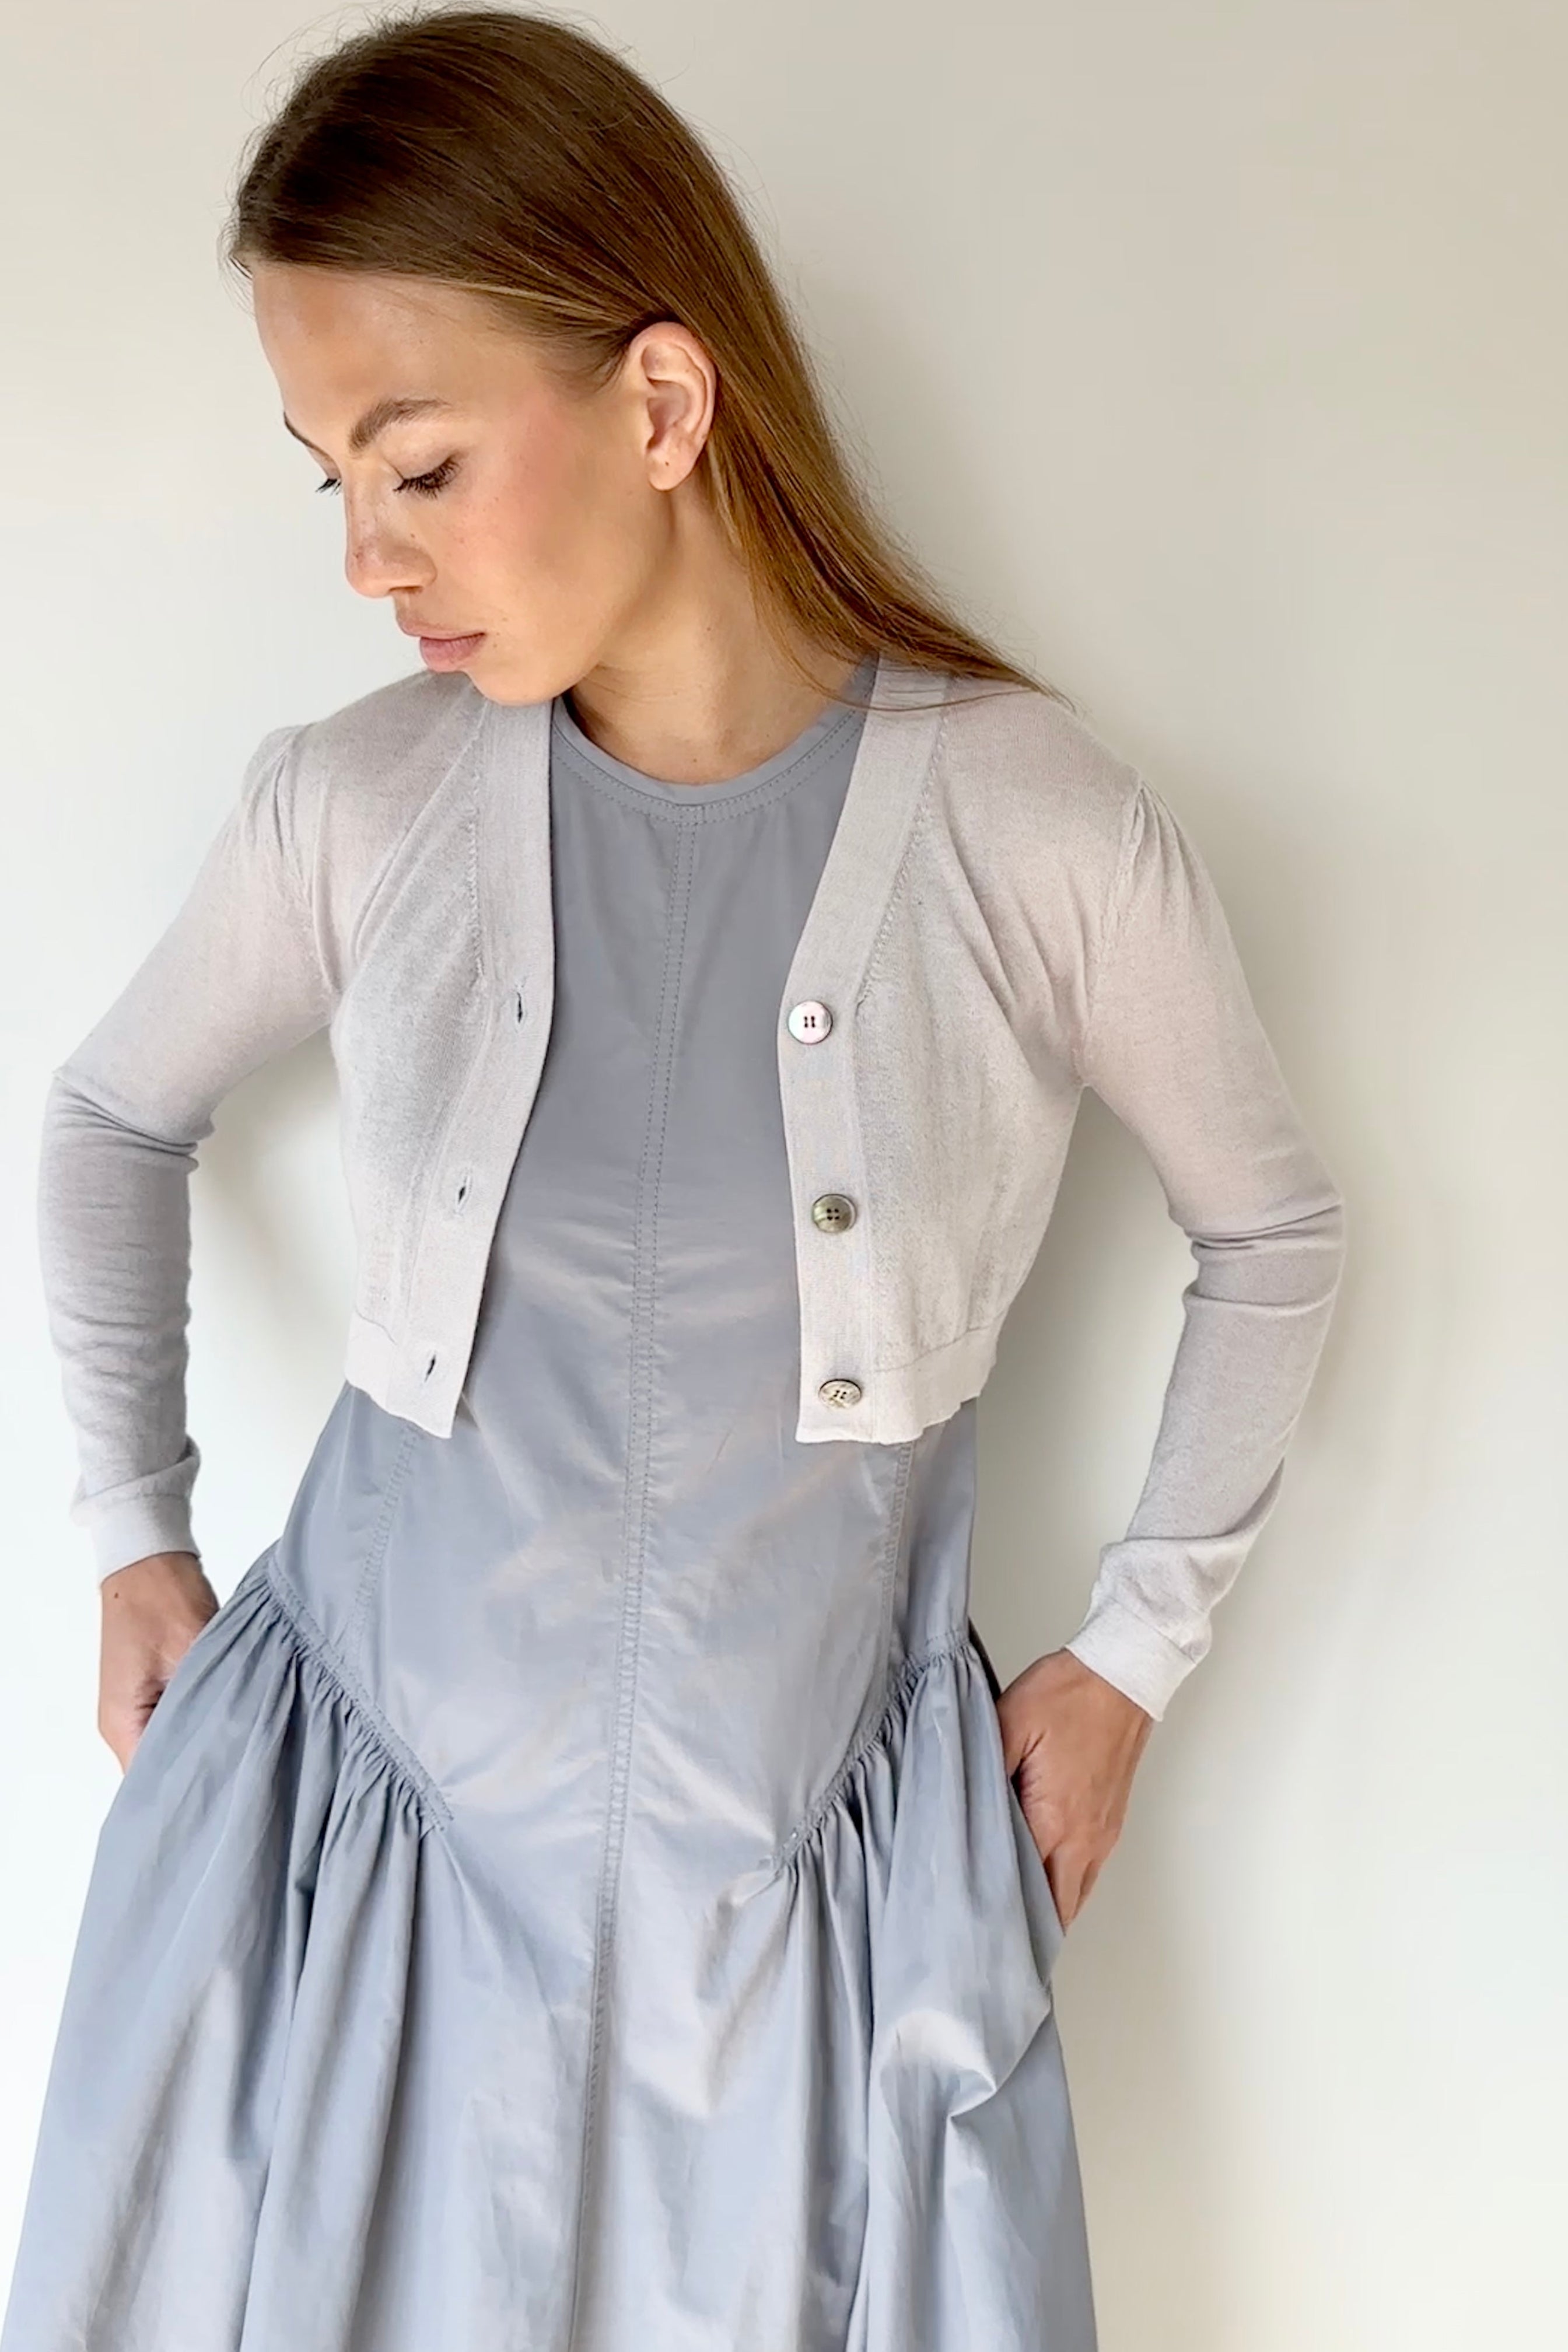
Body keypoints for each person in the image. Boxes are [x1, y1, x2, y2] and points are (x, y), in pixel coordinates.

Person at [2, 10, 1348, 2350]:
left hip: (807, 1935)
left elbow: (1280, 1235)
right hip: (357, 1898)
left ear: (657, 404)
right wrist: (132, 1527)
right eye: (325, 477)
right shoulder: (361, 804)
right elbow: (114, 1114)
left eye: (414, 466)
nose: (361, 557)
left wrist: (1134, 1657)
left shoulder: (1034, 831)